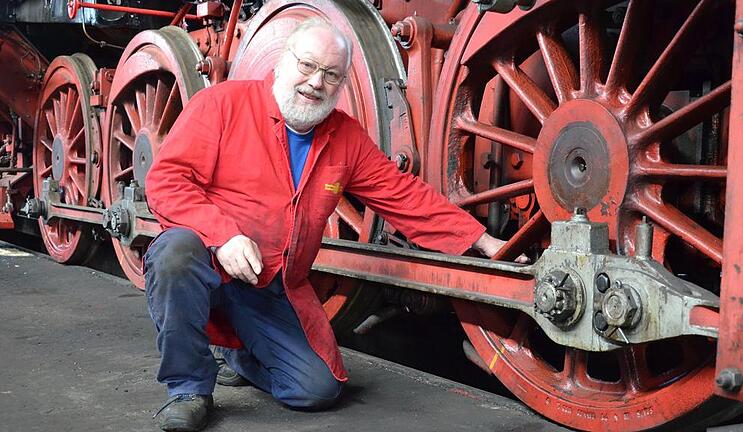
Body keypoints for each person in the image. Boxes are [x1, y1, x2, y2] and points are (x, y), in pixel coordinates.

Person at [143, 17, 507, 432]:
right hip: (208, 263)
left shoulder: (344, 137)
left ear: (341, 83)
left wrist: (480, 239)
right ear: (283, 62)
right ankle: (188, 388)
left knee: (316, 391)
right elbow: (167, 181)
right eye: (307, 66)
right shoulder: (221, 104)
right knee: (174, 254)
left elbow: (402, 195)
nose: (316, 82)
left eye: (331, 74)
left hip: (271, 282)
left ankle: (242, 356)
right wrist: (222, 235)